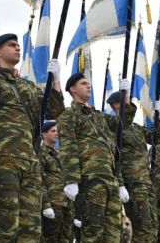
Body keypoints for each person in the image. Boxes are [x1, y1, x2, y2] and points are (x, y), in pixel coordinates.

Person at [0, 33, 64, 242]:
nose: (18, 48)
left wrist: (56, 82)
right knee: (5, 229)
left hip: (31, 164)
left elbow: (55, 111)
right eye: (11, 45)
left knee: (31, 231)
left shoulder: (28, 87)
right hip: (3, 163)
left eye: (18, 45)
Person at [57, 74, 129, 242]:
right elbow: (68, 147)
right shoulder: (69, 114)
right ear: (73, 89)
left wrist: (125, 100)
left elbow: (123, 124)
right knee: (93, 233)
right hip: (90, 179)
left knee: (114, 233)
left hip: (110, 179)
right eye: (83, 83)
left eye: (89, 83)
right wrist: (71, 180)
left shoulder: (98, 116)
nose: (88, 86)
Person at [106, 90, 157, 243]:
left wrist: (159, 118)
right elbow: (114, 158)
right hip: (132, 183)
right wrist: (121, 184)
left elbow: (156, 138)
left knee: (153, 224)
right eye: (127, 100)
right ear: (116, 105)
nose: (130, 103)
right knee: (141, 225)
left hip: (146, 181)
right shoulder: (113, 128)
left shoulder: (136, 128)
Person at [39, 120, 72, 243]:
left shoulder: (60, 154)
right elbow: (39, 181)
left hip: (66, 204)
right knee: (50, 239)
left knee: (66, 238)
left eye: (57, 131)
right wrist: (46, 205)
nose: (56, 133)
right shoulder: (40, 154)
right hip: (52, 204)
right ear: (44, 134)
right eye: (53, 131)